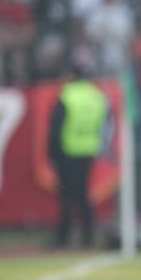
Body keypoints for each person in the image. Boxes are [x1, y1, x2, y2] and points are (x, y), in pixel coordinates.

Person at [48, 66, 109, 248]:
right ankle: (88, 236)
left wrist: (52, 153)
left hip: (68, 150)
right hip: (88, 149)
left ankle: (63, 237)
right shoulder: (96, 96)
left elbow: (56, 126)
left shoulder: (67, 96)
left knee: (67, 195)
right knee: (82, 194)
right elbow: (104, 123)